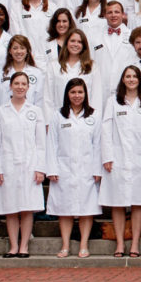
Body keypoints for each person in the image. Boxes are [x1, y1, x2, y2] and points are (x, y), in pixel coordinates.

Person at [0, 71, 46, 258]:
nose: (20, 86)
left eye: (24, 83)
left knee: (27, 206)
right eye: (17, 83)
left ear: (28, 87)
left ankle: (24, 246)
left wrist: (40, 168)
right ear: (10, 86)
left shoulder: (35, 111)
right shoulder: (1, 111)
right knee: (10, 207)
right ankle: (13, 246)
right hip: (7, 164)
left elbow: (41, 143)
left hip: (30, 165)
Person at [46, 78, 102, 258]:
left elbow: (98, 144)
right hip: (63, 168)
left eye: (80, 92)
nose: (77, 96)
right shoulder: (58, 115)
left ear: (85, 94)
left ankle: (84, 245)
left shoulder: (94, 116)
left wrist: (97, 170)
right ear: (67, 95)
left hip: (87, 169)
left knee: (87, 208)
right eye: (73, 92)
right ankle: (65, 245)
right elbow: (51, 143)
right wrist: (52, 169)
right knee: (64, 209)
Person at [99, 66, 141, 259]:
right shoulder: (113, 102)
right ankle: (120, 243)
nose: (131, 79)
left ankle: (135, 243)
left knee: (138, 203)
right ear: (122, 80)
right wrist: (107, 157)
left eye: (134, 76)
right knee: (117, 203)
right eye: (127, 76)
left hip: (140, 159)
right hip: (118, 159)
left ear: (140, 79)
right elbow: (106, 130)